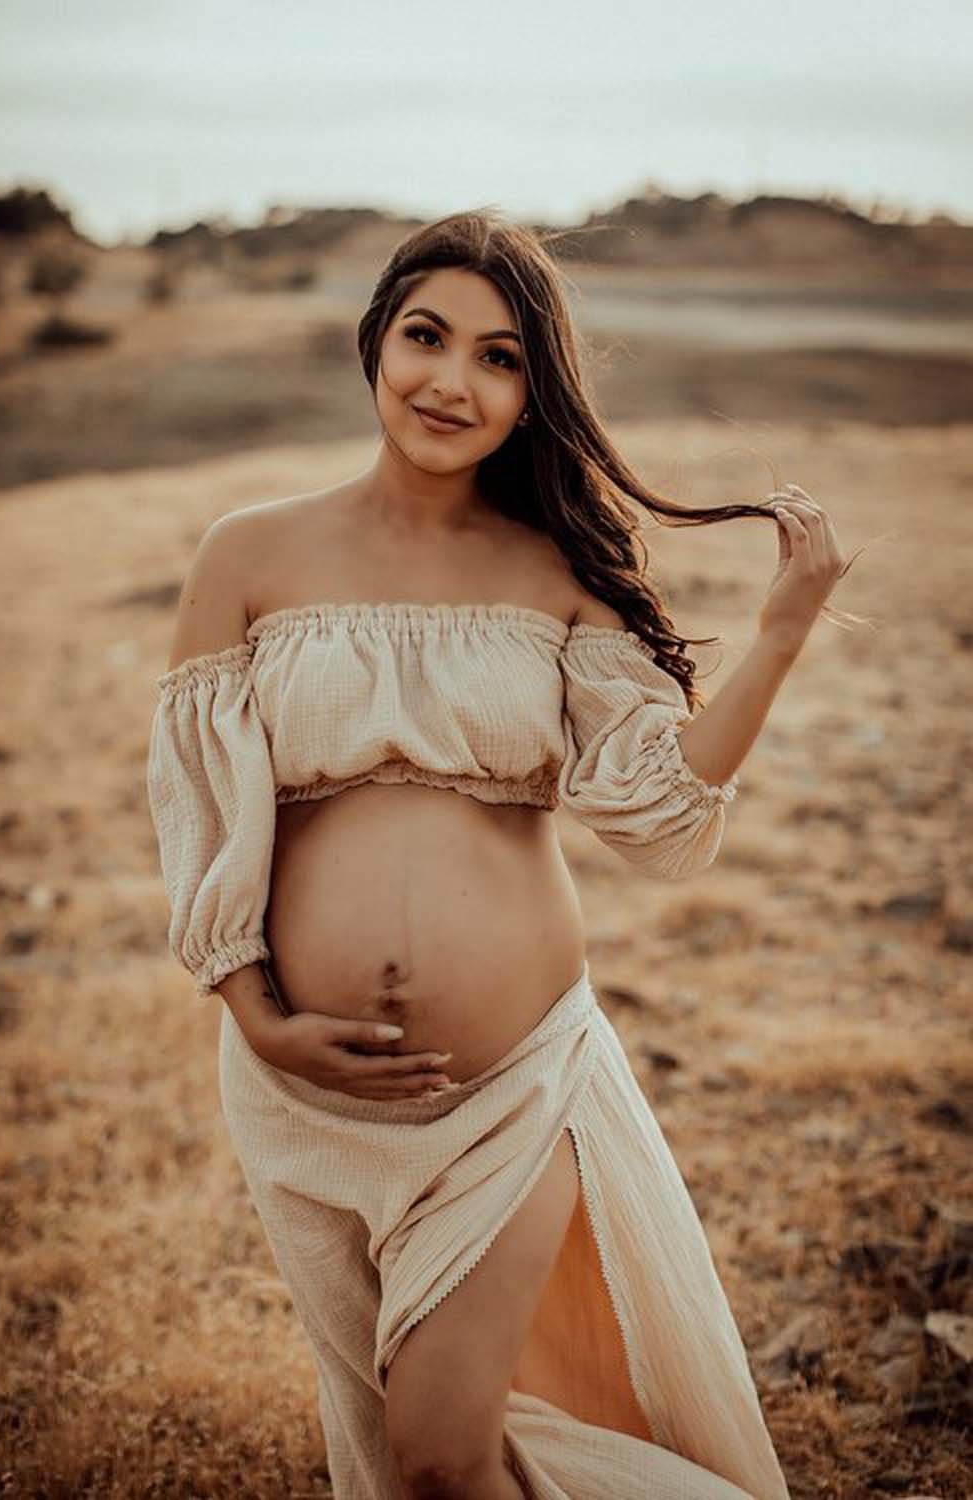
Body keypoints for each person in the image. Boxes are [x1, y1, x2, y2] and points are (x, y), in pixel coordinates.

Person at [146, 209, 850, 1500]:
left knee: (438, 1458)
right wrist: (256, 1018)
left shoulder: (555, 571)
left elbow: (658, 813)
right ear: (377, 343)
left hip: (515, 1089)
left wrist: (782, 637)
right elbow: (197, 810)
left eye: (500, 357)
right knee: (393, 1441)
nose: (450, 381)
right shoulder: (247, 554)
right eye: (426, 337)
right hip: (302, 1097)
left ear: (534, 396)